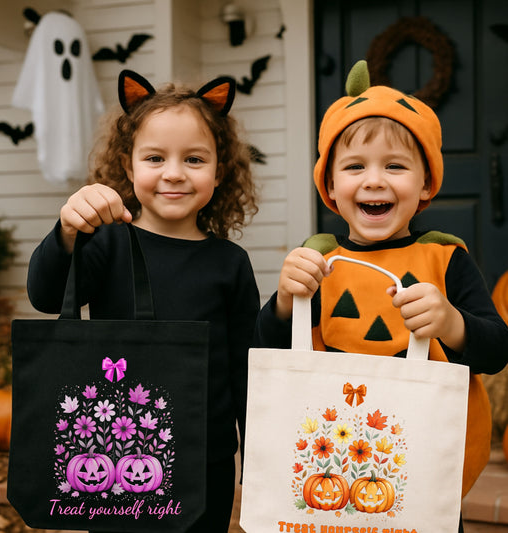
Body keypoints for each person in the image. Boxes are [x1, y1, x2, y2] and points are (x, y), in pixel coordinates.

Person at [253, 61, 508, 533]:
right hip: (329, 455)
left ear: (426, 183)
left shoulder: (445, 258)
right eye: (354, 167)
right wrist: (286, 302)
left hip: (421, 457)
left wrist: (451, 322)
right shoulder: (318, 262)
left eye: (395, 166)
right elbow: (266, 349)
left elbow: (495, 351)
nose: (374, 180)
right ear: (330, 186)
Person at [27, 69, 260, 533]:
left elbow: (245, 368)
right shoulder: (104, 245)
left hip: (204, 459)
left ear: (220, 170)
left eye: (194, 159)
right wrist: (69, 232)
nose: (174, 173)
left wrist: (256, 454)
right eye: (155, 157)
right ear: (129, 167)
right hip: (115, 455)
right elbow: (45, 295)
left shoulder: (230, 263)